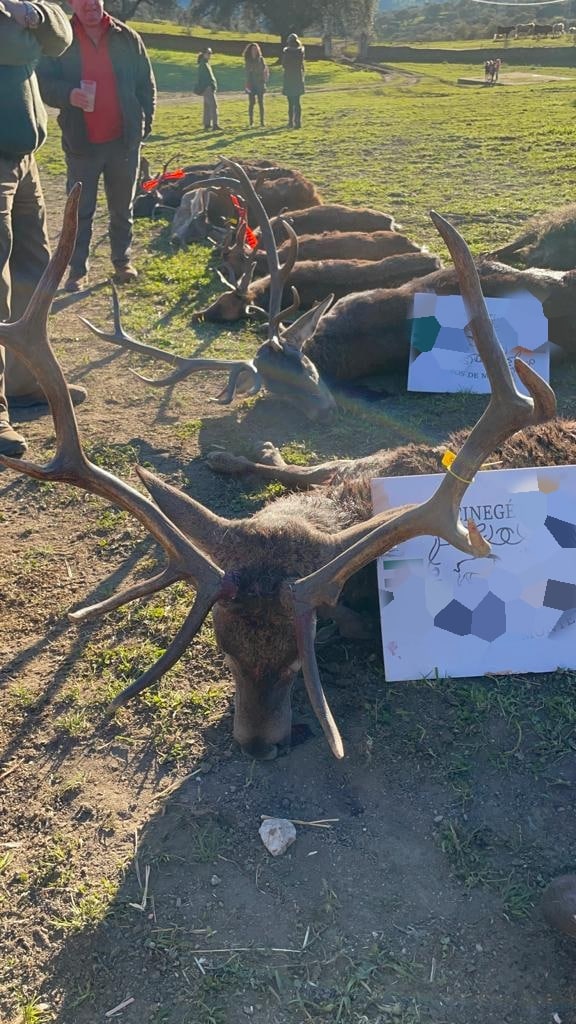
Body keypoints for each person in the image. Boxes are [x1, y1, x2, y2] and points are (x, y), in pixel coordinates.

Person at [0, 0, 87, 459]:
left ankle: (24, 381)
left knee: (35, 271)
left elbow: (61, 36)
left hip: (24, 155)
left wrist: (33, 14)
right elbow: (15, 46)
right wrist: (29, 33)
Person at [38, 0, 156, 292]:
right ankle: (77, 271)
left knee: (122, 207)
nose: (90, 3)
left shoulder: (126, 37)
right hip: (82, 143)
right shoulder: (61, 39)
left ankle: (122, 261)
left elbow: (146, 83)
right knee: (79, 211)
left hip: (123, 142)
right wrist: (69, 94)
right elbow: (42, 82)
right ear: (71, 3)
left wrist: (144, 125)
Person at [281, 32, 305, 129]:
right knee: (297, 102)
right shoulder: (300, 52)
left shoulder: (286, 52)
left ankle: (290, 122)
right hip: (298, 78)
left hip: (289, 78)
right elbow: (301, 65)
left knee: (290, 102)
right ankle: (298, 122)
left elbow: (284, 64)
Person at [243, 42, 268, 128]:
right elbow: (247, 72)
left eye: (256, 49)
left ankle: (262, 122)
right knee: (251, 103)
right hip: (251, 83)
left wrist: (264, 79)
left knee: (261, 103)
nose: (254, 51)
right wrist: (247, 84)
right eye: (253, 49)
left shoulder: (261, 59)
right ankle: (251, 122)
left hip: (260, 83)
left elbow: (265, 70)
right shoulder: (248, 60)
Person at [196, 47, 220, 131]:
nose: (210, 55)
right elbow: (205, 78)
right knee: (213, 106)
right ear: (204, 54)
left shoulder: (205, 63)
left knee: (207, 106)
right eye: (208, 53)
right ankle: (215, 124)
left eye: (210, 53)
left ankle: (207, 124)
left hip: (206, 88)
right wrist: (210, 85)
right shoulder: (204, 64)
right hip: (208, 88)